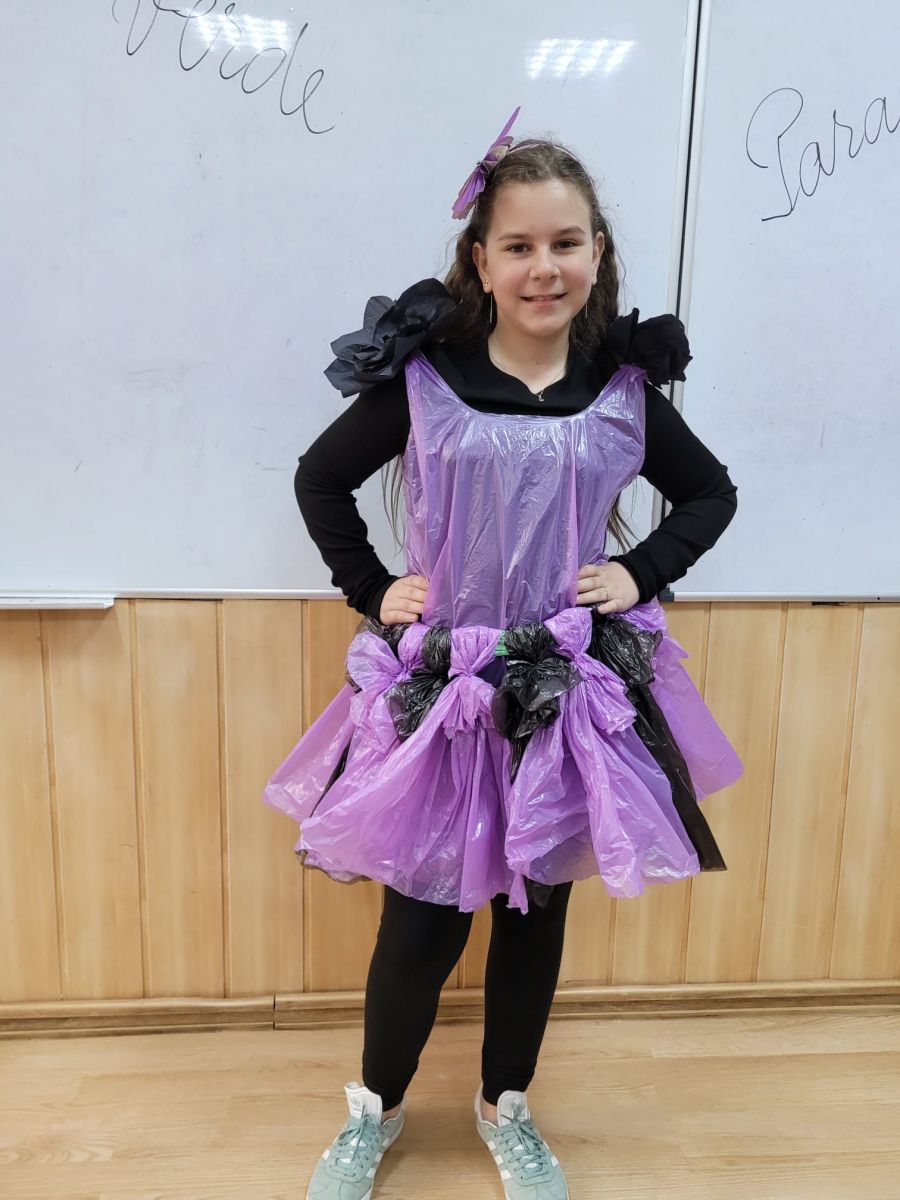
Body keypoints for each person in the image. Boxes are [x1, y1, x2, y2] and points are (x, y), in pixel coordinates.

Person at [265, 108, 744, 1200]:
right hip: (448, 693)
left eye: (565, 243)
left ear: (597, 255)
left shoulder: (623, 395)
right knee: (423, 920)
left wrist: (641, 571)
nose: (544, 267)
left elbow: (710, 492)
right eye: (519, 245)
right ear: (480, 260)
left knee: (538, 911)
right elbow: (320, 478)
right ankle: (375, 1110)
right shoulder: (426, 383)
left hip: (568, 692)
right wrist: (374, 590)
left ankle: (506, 1104)